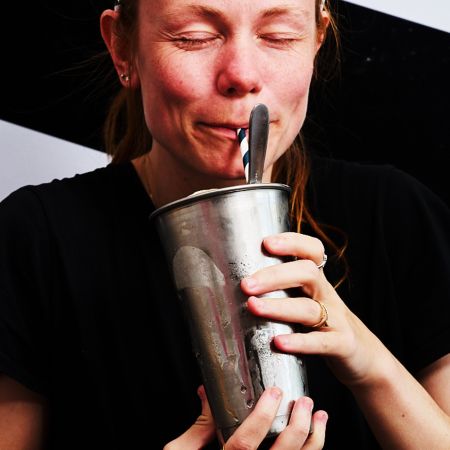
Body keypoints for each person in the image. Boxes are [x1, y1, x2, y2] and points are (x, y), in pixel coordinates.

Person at [0, 0, 449, 448]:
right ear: (123, 47)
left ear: (316, 41)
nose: (241, 75)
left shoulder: (398, 216)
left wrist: (373, 367)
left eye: (279, 36)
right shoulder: (33, 239)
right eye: (194, 36)